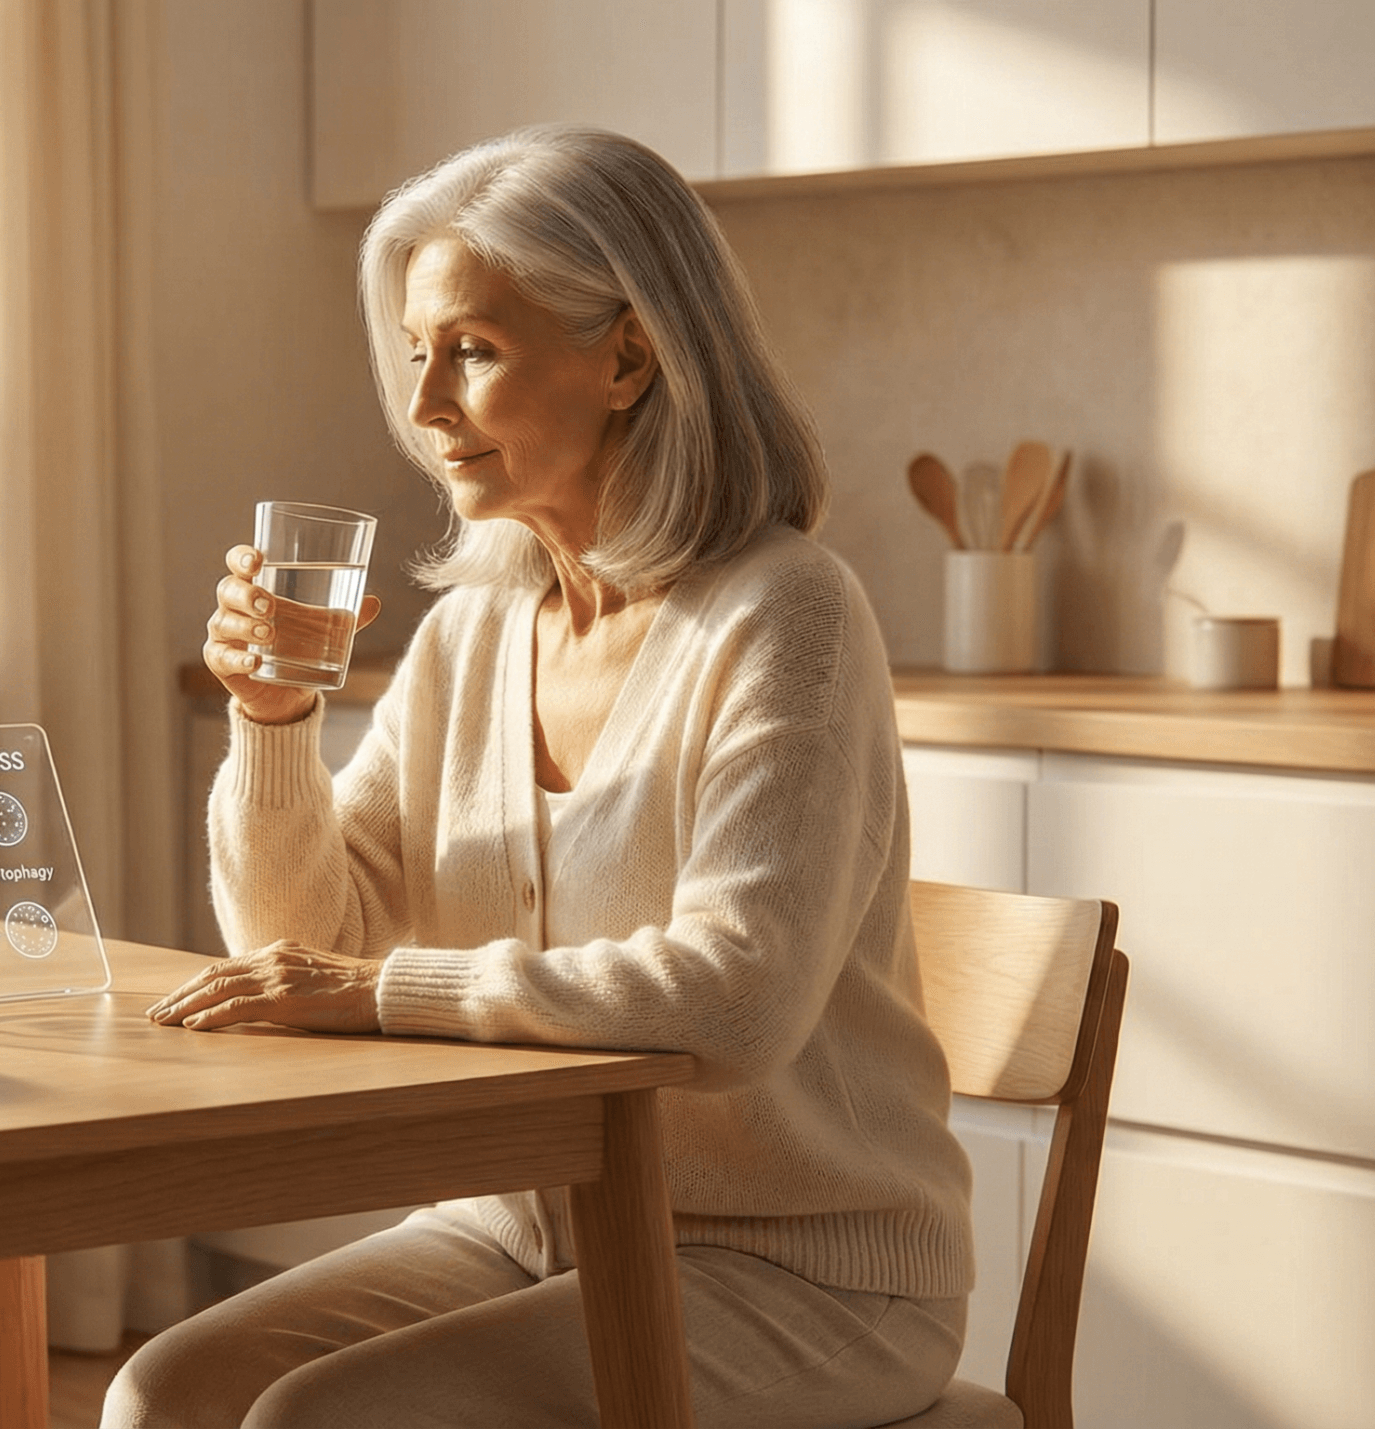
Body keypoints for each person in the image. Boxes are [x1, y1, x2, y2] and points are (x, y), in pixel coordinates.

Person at [104, 125, 970, 1429]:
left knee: (314, 1424)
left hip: (804, 1271)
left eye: (473, 351)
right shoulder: (472, 635)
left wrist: (387, 993)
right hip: (520, 1232)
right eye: (416, 356)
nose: (424, 407)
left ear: (627, 355)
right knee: (165, 1394)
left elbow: (736, 1001)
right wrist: (276, 719)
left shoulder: (786, 613)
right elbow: (298, 950)